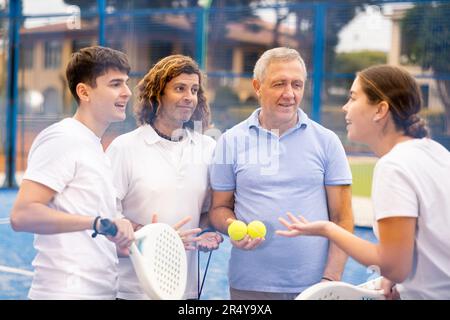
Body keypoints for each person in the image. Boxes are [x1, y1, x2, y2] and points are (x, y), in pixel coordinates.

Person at [277, 65, 450, 300]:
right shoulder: (435, 151)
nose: (345, 107)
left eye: (353, 98)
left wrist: (329, 229)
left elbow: (395, 267)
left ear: (380, 110)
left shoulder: (394, 166)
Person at [209, 47, 353, 300]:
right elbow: (219, 208)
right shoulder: (229, 141)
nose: (289, 94)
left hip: (314, 287)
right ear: (257, 86)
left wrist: (330, 279)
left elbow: (342, 218)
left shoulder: (327, 141)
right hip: (249, 285)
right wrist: (233, 226)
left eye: (297, 84)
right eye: (279, 84)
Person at [10, 46, 135, 300]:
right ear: (84, 91)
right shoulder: (63, 138)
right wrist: (97, 223)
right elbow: (22, 215)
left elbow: (95, 234)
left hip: (100, 292)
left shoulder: (95, 147)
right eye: (115, 84)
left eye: (126, 83)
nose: (127, 92)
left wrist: (132, 238)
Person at [106, 54, 222, 300]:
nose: (189, 97)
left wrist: (203, 233)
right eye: (179, 88)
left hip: (185, 289)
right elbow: (107, 215)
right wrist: (156, 236)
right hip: (132, 291)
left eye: (194, 90)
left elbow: (207, 212)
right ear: (157, 94)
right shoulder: (124, 147)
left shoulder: (208, 148)